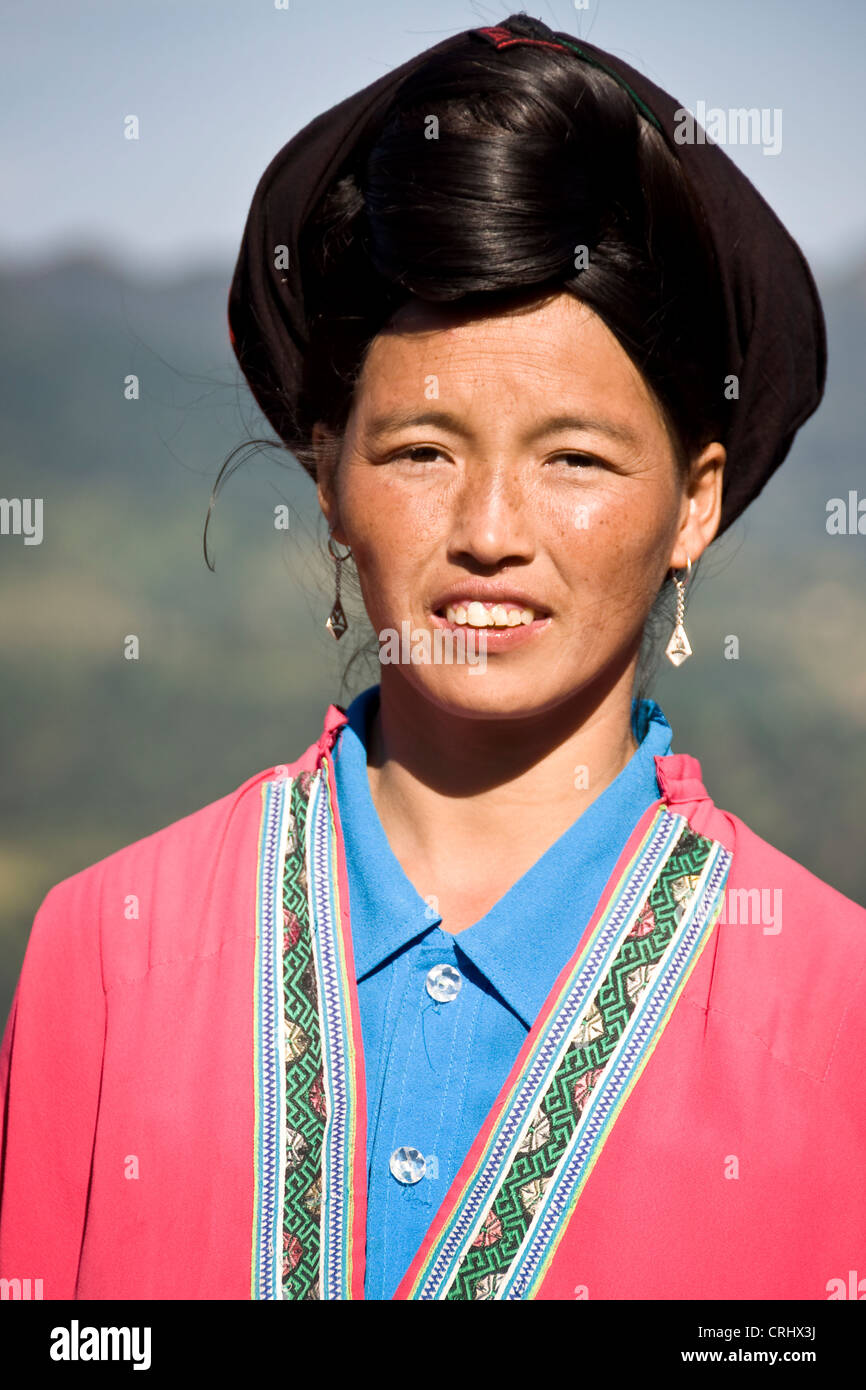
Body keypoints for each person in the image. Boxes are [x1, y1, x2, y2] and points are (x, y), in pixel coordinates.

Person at [1, 13, 863, 1302]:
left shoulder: (835, 1017)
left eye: (575, 457)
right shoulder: (110, 955)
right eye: (419, 450)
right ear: (328, 474)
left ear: (693, 502)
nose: (490, 534)